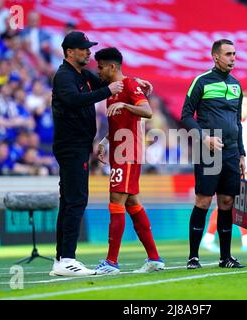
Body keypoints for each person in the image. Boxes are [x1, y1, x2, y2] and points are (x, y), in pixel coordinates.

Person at [49, 31, 151, 277]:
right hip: (71, 146)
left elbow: (110, 79)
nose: (89, 52)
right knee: (75, 200)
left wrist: (135, 82)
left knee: (68, 201)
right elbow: (75, 100)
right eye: (84, 49)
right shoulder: (64, 76)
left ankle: (61, 257)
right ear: (70, 52)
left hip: (78, 146)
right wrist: (109, 92)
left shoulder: (80, 75)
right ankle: (67, 259)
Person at [94, 47, 164, 274]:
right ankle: (154, 259)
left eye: (101, 66)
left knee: (116, 200)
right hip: (118, 152)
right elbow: (119, 124)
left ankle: (111, 262)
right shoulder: (111, 91)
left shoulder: (130, 86)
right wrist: (104, 142)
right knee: (133, 204)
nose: (98, 71)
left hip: (128, 153)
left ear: (112, 67)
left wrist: (125, 104)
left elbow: (147, 111)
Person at [181, 39, 246, 269]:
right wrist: (204, 138)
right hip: (208, 150)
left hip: (231, 152)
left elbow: (237, 122)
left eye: (235, 54)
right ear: (215, 56)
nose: (233, 58)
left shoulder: (237, 86)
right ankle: (193, 257)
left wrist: (242, 153)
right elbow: (186, 115)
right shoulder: (201, 82)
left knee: (227, 202)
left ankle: (225, 257)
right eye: (228, 54)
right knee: (204, 200)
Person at [201, 91, 247, 253]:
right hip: (231, 167)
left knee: (238, 203)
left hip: (246, 168)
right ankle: (211, 238)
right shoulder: (230, 121)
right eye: (245, 104)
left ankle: (242, 241)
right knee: (230, 202)